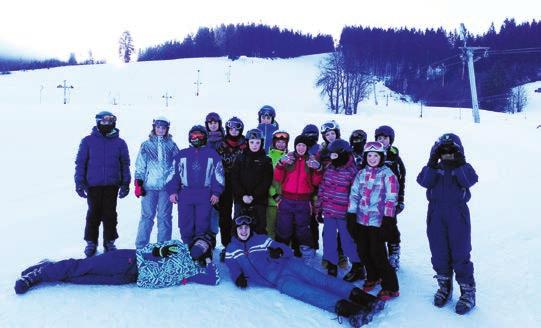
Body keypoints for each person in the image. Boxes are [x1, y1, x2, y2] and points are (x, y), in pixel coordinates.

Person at [224, 216, 384, 327]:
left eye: (246, 227)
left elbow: (286, 250)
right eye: (240, 228)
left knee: (322, 280)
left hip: (289, 265)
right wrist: (237, 277)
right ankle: (353, 311)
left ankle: (366, 299)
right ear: (235, 230)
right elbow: (232, 266)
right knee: (310, 294)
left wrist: (279, 251)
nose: (244, 231)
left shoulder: (260, 239)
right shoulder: (232, 249)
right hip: (279, 281)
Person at [14, 238, 219, 295]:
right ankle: (38, 274)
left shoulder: (193, 270)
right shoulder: (178, 247)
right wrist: (159, 252)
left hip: (128, 279)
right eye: (199, 243)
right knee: (82, 267)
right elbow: (149, 250)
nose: (200, 248)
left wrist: (209, 262)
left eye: (204, 247)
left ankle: (49, 268)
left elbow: (213, 279)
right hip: (129, 261)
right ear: (192, 243)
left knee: (80, 279)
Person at [417, 133, 478, 315]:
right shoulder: (435, 168)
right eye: (443, 151)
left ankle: (468, 292)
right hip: (436, 214)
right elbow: (423, 181)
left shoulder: (463, 168)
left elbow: (470, 180)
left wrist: (460, 162)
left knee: (460, 252)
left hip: (457, 215)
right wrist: (431, 161)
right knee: (439, 252)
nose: (447, 154)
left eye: (451, 151)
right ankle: (445, 286)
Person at [346, 141, 400, 301]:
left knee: (378, 254)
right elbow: (354, 194)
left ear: (381, 156)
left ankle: (391, 286)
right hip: (361, 220)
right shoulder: (361, 174)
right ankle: (373, 276)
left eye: (376, 155)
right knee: (363, 251)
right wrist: (351, 215)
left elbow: (391, 198)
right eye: (369, 155)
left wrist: (388, 220)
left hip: (378, 222)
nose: (372, 158)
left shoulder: (388, 174)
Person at [75, 111, 131, 257]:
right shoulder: (87, 141)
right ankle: (91, 242)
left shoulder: (120, 143)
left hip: (112, 185)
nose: (107, 124)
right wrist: (79, 182)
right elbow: (81, 162)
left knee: (110, 215)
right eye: (104, 121)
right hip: (93, 184)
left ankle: (109, 242)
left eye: (110, 121)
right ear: (98, 122)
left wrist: (125, 183)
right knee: (93, 214)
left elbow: (125, 164)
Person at [166, 125, 224, 257]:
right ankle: (187, 248)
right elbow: (173, 174)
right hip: (185, 194)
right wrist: (172, 191)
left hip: (205, 194)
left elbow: (218, 174)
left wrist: (216, 192)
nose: (196, 138)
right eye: (193, 136)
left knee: (202, 222)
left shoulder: (212, 155)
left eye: (200, 136)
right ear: (189, 137)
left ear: (205, 137)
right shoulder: (182, 154)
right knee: (185, 222)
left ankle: (200, 250)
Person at [317, 140, 364, 281]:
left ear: (342, 154)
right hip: (330, 212)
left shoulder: (352, 172)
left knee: (347, 241)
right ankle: (332, 263)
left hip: (344, 214)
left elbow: (357, 194)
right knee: (329, 239)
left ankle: (357, 266)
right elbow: (323, 188)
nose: (331, 158)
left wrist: (354, 213)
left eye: (334, 155)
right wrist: (319, 208)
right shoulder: (330, 168)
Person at [274, 135, 322, 262]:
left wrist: (317, 169)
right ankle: (282, 253)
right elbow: (278, 178)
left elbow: (316, 182)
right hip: (287, 199)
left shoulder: (311, 160)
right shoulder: (289, 158)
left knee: (303, 228)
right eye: (298, 145)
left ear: (307, 148)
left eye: (303, 145)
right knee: (284, 227)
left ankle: (307, 254)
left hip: (303, 200)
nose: (301, 148)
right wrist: (280, 164)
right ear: (295, 146)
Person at [134, 116, 179, 249]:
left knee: (164, 217)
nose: (160, 130)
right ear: (154, 128)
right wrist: (139, 182)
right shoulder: (146, 145)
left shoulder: (171, 145)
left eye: (163, 128)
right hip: (149, 187)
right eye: (158, 127)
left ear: (167, 129)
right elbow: (140, 165)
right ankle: (141, 246)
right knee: (147, 216)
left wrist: (174, 185)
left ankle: (163, 246)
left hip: (166, 188)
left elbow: (177, 166)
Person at [374, 125, 406, 271]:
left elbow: (401, 180)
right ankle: (379, 254)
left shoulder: (395, 159)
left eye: (385, 138)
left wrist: (400, 199)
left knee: (390, 226)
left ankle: (394, 253)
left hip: (390, 201)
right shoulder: (372, 155)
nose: (382, 141)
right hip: (374, 199)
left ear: (390, 140)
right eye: (379, 138)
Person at [231, 128, 274, 234]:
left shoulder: (266, 160)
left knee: (259, 226)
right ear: (247, 143)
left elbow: (266, 181)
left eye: (258, 142)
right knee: (240, 226)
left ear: (262, 143)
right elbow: (234, 178)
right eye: (252, 142)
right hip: (241, 199)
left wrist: (253, 196)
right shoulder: (240, 158)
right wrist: (243, 195)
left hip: (259, 200)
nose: (255, 145)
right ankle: (238, 248)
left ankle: (259, 248)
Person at [216, 117, 247, 260]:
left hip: (241, 182)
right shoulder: (221, 145)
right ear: (228, 129)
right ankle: (227, 245)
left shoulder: (245, 144)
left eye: (237, 128)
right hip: (225, 182)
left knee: (240, 214)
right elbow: (216, 166)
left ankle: (240, 243)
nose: (234, 131)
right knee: (225, 215)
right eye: (231, 128)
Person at [266, 130, 290, 239]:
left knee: (284, 228)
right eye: (278, 142)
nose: (281, 144)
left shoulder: (290, 158)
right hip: (271, 201)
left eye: (283, 142)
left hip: (286, 201)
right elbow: (264, 179)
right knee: (270, 228)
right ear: (274, 142)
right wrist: (274, 194)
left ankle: (284, 250)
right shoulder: (268, 158)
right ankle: (270, 249)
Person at [204, 112, 225, 235]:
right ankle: (204, 238)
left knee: (216, 210)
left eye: (215, 123)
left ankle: (213, 235)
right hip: (204, 180)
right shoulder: (203, 139)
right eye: (210, 123)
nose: (212, 125)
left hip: (220, 179)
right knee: (205, 209)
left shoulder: (224, 140)